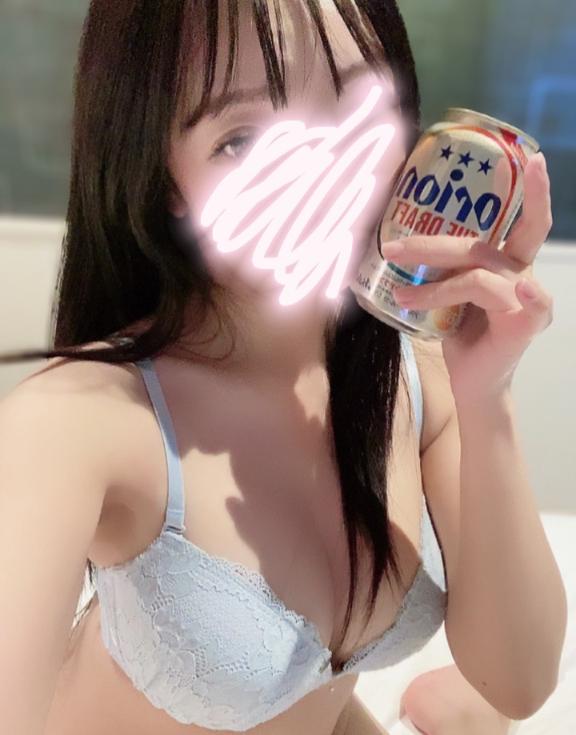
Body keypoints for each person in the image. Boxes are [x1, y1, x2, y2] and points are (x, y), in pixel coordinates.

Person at [1, 1, 462, 734]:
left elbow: (327, 690)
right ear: (163, 179)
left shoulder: (409, 373)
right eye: (242, 140)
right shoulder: (75, 421)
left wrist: (489, 389)